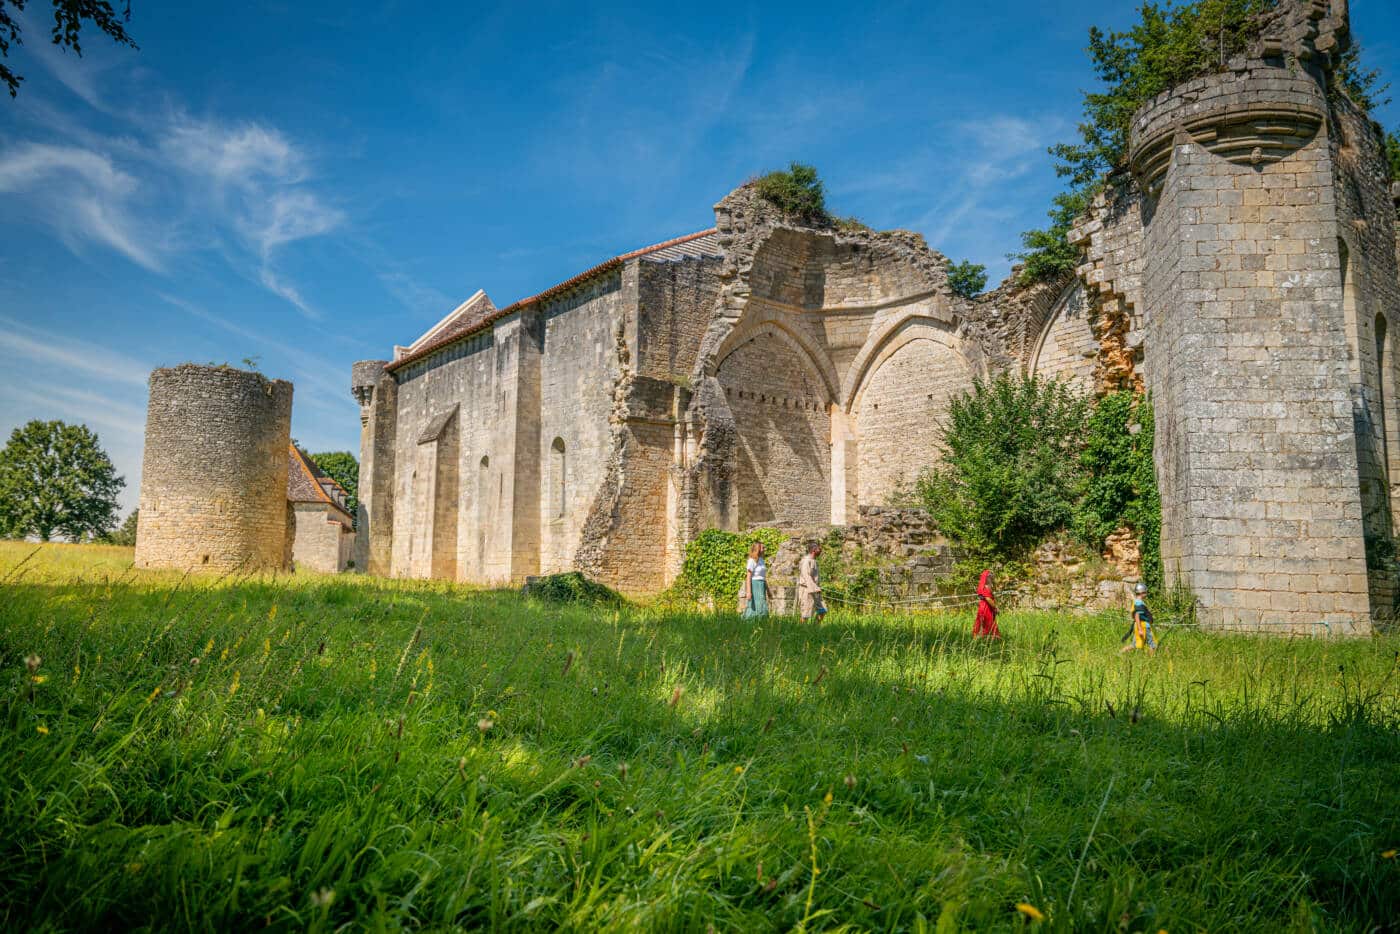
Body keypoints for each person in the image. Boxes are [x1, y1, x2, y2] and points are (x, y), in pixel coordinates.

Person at [1121, 582, 1157, 654]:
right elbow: (1137, 615)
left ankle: (1120, 653)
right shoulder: (1139, 603)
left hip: (1139, 626)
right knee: (1153, 645)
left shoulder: (1136, 602)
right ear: (1142, 593)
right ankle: (1151, 660)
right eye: (1145, 592)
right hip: (1143, 626)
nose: (1146, 594)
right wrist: (1140, 629)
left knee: (1134, 645)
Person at [797, 541, 828, 623]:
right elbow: (806, 576)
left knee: (823, 610)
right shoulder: (806, 561)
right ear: (814, 550)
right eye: (819, 549)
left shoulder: (814, 561)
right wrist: (814, 588)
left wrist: (816, 588)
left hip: (815, 591)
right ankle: (801, 630)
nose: (820, 550)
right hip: (807, 590)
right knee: (806, 614)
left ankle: (815, 627)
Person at [741, 541, 769, 619]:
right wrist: (749, 592)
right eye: (763, 547)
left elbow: (763, 577)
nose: (764, 549)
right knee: (754, 606)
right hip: (755, 586)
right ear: (758, 549)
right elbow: (748, 577)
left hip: (762, 586)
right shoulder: (752, 560)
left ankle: (761, 623)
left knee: (762, 605)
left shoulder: (761, 560)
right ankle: (749, 623)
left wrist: (768, 590)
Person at [972, 569, 1000, 639]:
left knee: (986, 621)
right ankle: (982, 637)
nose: (992, 579)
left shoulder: (985, 586)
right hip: (985, 607)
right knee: (985, 621)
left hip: (985, 607)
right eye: (991, 577)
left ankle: (989, 638)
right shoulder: (985, 587)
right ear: (987, 578)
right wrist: (995, 607)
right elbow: (988, 599)